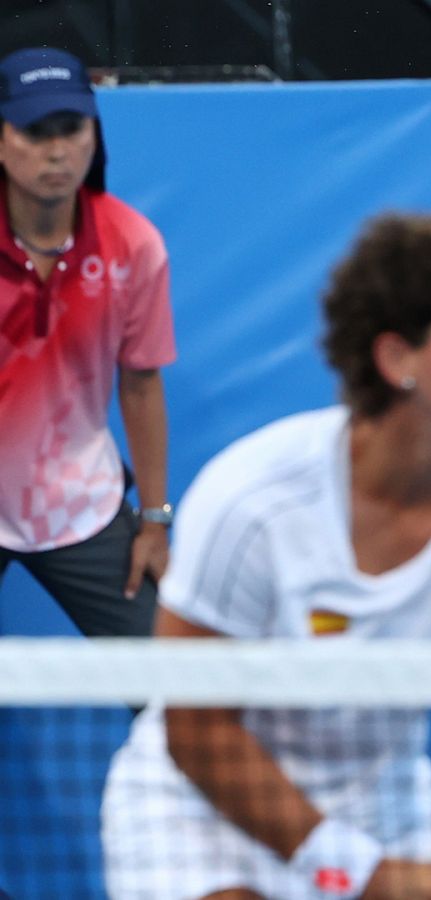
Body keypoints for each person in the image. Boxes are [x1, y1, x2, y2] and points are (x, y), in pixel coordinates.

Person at [100, 214, 431, 899]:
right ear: (397, 358)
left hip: (392, 809)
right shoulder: (254, 501)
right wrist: (352, 870)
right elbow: (197, 733)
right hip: (200, 813)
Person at [0, 46, 173, 636]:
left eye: (71, 128)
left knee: (177, 696)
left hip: (82, 509)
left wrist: (154, 522)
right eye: (33, 130)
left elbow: (142, 385)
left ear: (93, 136)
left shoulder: (133, 245)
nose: (56, 149)